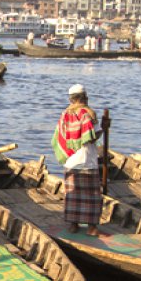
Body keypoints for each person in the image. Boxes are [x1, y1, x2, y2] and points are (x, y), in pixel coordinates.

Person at [51, 84, 106, 237]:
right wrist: (104, 128)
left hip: (71, 161)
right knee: (92, 196)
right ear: (85, 97)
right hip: (87, 160)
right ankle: (91, 228)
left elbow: (59, 138)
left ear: (71, 99)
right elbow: (91, 137)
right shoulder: (88, 114)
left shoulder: (64, 115)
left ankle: (73, 225)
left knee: (72, 195)